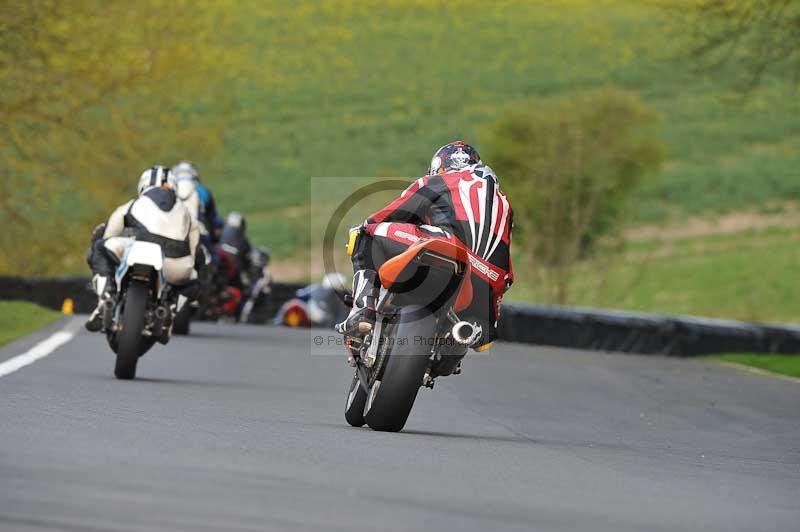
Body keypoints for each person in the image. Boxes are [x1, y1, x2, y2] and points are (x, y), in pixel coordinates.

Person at [336, 141, 514, 348]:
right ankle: (446, 352)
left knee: (364, 233)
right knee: (481, 339)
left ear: (440, 165)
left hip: (449, 247)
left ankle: (363, 309)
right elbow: (506, 269)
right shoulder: (504, 204)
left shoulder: (438, 180)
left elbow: (385, 217)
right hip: (489, 281)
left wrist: (367, 227)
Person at [85, 166, 201, 332]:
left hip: (138, 251)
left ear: (143, 185)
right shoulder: (188, 215)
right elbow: (196, 254)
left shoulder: (134, 204)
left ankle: (106, 295)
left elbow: (109, 235)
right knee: (194, 278)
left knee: (100, 248)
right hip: (175, 268)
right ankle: (172, 308)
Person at [171, 160, 223, 243]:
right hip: (199, 236)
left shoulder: (169, 190)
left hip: (171, 236)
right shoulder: (202, 191)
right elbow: (213, 219)